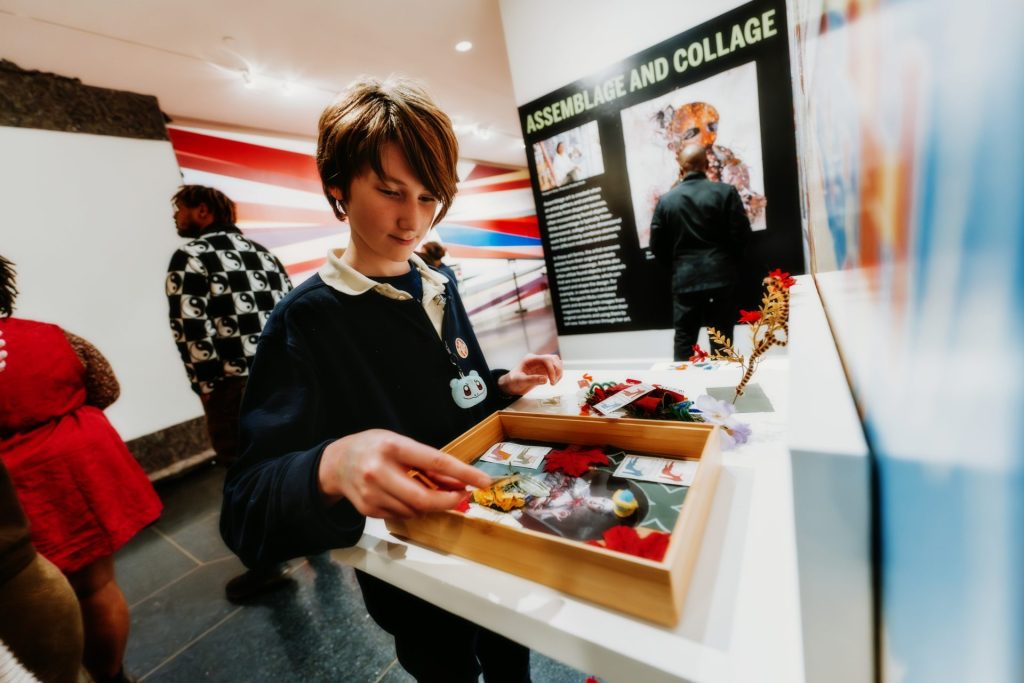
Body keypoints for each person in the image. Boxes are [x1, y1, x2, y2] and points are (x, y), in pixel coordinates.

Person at [220, 75, 563, 683]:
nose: (413, 220)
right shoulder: (305, 320)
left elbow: (446, 387)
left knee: (512, 659)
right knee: (444, 667)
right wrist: (332, 464)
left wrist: (498, 383)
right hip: (415, 571)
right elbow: (246, 508)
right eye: (389, 191)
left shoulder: (439, 282)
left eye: (429, 197)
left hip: (494, 531)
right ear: (338, 187)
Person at [0, 254, 161, 683]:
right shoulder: (52, 335)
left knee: (25, 600)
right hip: (74, 472)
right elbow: (105, 386)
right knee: (96, 588)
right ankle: (111, 676)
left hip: (13, 493)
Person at [166, 185, 295, 602]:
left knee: (244, 471)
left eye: (180, 209)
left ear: (202, 211)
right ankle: (312, 538)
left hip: (234, 384)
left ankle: (265, 564)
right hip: (284, 376)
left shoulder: (191, 256)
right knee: (289, 456)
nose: (175, 217)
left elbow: (191, 330)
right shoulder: (262, 253)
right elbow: (290, 311)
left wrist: (207, 390)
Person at [650, 144, 752, 361]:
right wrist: (726, 262)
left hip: (685, 280)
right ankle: (722, 383)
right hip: (721, 277)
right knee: (722, 341)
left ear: (681, 168)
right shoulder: (725, 192)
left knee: (684, 341)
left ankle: (683, 383)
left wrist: (678, 266)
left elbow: (657, 246)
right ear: (706, 165)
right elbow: (741, 235)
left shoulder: (666, 201)